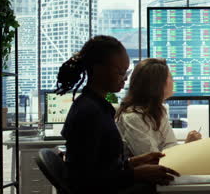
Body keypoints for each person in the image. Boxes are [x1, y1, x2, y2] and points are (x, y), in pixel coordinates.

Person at [58, 36, 179, 194]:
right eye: (120, 72)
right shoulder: (89, 113)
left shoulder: (97, 106)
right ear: (98, 69)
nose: (125, 78)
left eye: (126, 71)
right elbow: (85, 180)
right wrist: (135, 173)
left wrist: (132, 162)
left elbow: (103, 165)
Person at [116, 58, 202, 156]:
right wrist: (187, 145)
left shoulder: (158, 111)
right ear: (158, 85)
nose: (173, 81)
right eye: (170, 78)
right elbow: (153, 159)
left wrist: (187, 145)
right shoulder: (132, 118)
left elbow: (170, 146)